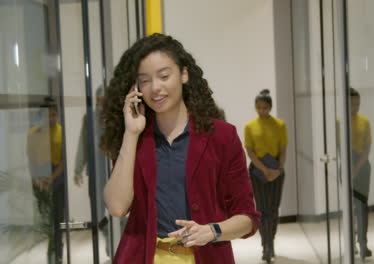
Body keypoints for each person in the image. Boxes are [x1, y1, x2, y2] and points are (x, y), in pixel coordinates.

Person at [100, 33, 260, 264]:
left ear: (184, 74)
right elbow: (116, 206)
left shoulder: (222, 136)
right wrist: (131, 133)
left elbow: (248, 218)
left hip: (206, 257)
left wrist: (212, 231)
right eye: (144, 80)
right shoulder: (136, 138)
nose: (155, 88)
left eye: (164, 76)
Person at [244, 89, 287, 263]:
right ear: (255, 107)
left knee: (274, 209)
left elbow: (283, 150)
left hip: (276, 168)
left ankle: (271, 241)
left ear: (270, 107)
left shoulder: (280, 125)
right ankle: (266, 246)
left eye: (265, 107)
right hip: (257, 171)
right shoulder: (250, 126)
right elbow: (250, 151)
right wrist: (264, 170)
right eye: (259, 107)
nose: (262, 111)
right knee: (262, 209)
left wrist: (278, 169)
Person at [74, 86, 111, 256]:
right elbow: (83, 144)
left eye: (104, 99)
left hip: (113, 172)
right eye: (99, 99)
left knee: (116, 209)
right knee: (98, 212)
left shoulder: (114, 118)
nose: (101, 103)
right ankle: (108, 238)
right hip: (95, 173)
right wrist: (77, 169)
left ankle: (115, 245)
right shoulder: (89, 118)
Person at [27, 97, 64, 264]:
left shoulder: (61, 131)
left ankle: (56, 250)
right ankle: (51, 249)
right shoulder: (33, 133)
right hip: (39, 180)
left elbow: (64, 161)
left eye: (54, 114)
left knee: (57, 217)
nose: (51, 117)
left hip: (56, 179)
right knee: (45, 218)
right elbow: (31, 160)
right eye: (48, 114)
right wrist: (37, 179)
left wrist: (52, 178)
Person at [349, 88, 372, 261]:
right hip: (347, 166)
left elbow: (367, 149)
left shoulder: (365, 122)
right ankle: (351, 242)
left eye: (357, 103)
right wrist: (349, 169)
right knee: (350, 207)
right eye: (351, 103)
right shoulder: (340, 122)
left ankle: (363, 242)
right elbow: (339, 148)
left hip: (363, 167)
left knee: (362, 206)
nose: (355, 106)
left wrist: (357, 167)